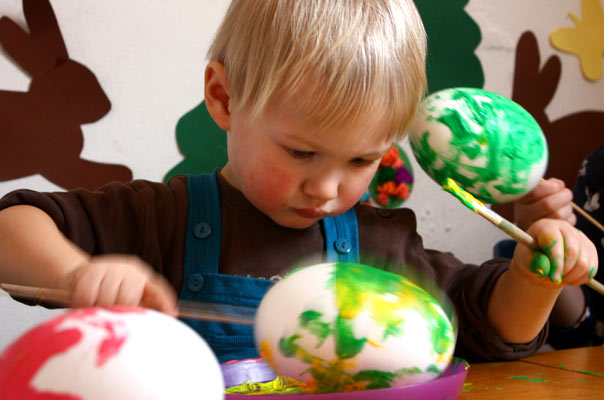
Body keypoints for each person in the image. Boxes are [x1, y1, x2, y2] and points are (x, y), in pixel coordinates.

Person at [0, 0, 597, 364]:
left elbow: (491, 329)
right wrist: (74, 275)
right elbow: (13, 225)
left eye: (363, 161)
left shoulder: (384, 247)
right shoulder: (160, 218)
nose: (327, 189)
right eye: (302, 151)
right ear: (223, 96)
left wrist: (534, 275)